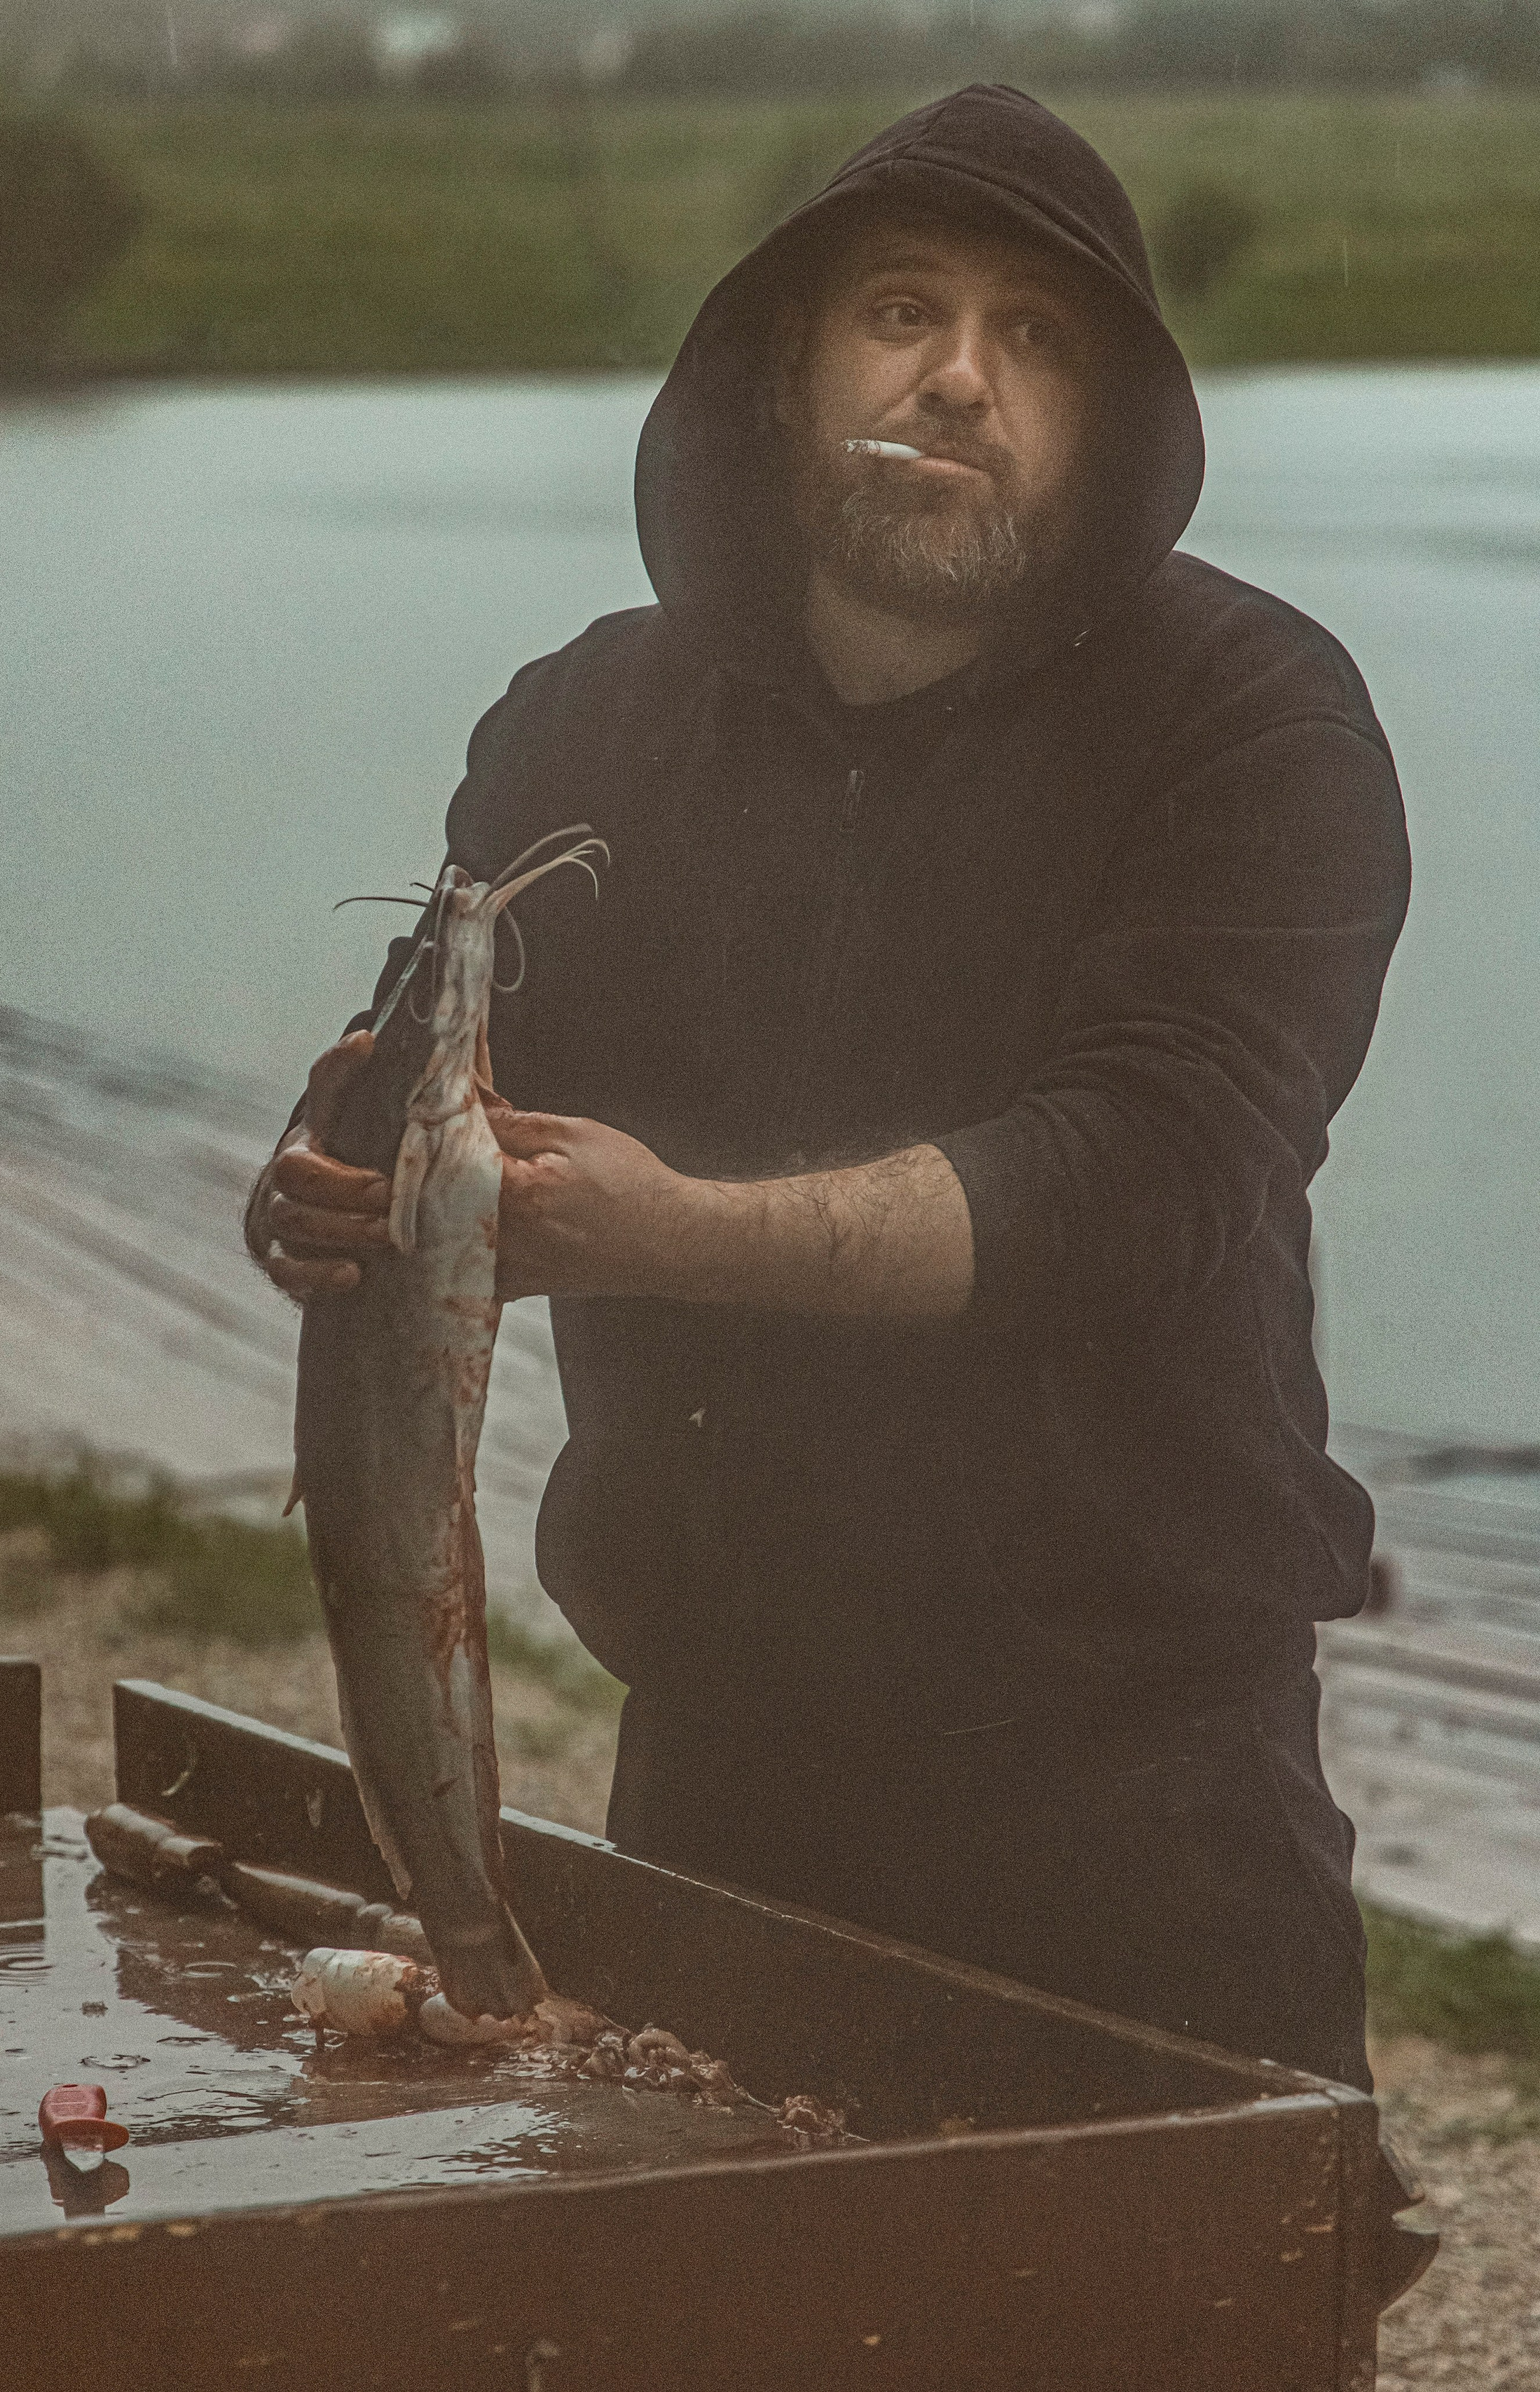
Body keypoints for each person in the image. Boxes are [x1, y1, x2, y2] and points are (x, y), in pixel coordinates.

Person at [247, 84, 1409, 2090]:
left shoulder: (1253, 721)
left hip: (1141, 1796)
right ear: (783, 374)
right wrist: (334, 1191)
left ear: (1109, 420)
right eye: (900, 310)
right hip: (718, 1770)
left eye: (1036, 339)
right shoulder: (580, 724)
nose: (961, 379)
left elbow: (1144, 1174)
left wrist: (670, 1237)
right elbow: (431, 1087)